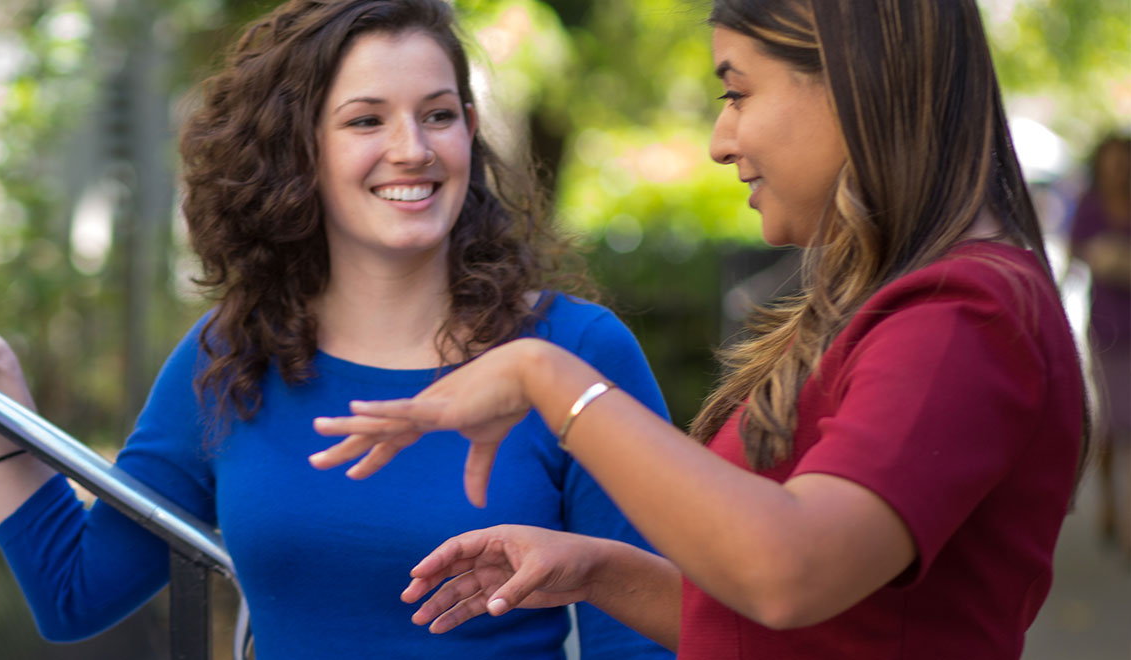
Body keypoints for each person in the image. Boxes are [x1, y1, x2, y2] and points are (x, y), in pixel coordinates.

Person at [308, 1, 1087, 658]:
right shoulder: (911, 303)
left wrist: (545, 378)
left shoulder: (965, 313)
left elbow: (791, 569)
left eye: (739, 94)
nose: (722, 140)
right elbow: (823, 625)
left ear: (855, 84)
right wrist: (602, 574)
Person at [0, 0, 671, 656]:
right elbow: (76, 593)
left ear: (468, 128)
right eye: (366, 120)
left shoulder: (575, 355)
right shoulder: (232, 356)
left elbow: (648, 638)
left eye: (438, 115)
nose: (414, 149)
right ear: (299, 148)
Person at [1072, 134, 1131, 552]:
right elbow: (1076, 253)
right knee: (1111, 425)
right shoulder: (1091, 207)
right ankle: (1110, 504)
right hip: (1108, 331)